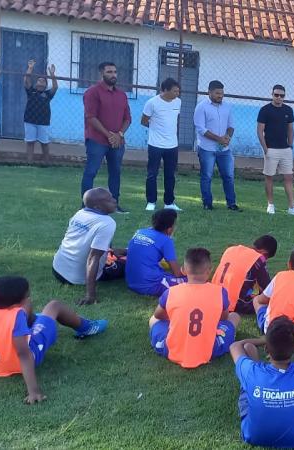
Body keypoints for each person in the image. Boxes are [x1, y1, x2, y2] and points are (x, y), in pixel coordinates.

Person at [231, 313, 294, 448]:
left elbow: (235, 346)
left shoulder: (252, 371)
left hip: (253, 435)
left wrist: (268, 340)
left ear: (267, 348)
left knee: (247, 351)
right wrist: (291, 345)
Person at [149, 248, 240, 369]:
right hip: (211, 349)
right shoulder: (219, 292)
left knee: (153, 319)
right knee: (234, 316)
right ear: (209, 270)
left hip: (171, 349)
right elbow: (223, 318)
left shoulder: (171, 292)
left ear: (184, 270)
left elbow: (158, 315)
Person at [52, 188, 123, 305]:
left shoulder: (80, 213)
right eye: (109, 200)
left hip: (57, 269)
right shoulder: (107, 222)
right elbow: (93, 258)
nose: (114, 201)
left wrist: (110, 250)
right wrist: (90, 295)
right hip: (76, 278)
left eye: (112, 197)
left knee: (113, 255)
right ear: (97, 207)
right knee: (125, 265)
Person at [81, 61, 131, 212]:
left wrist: (119, 135)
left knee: (115, 172)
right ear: (101, 73)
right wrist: (109, 135)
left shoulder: (121, 95)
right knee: (91, 171)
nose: (113, 75)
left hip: (117, 142)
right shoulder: (92, 92)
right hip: (97, 140)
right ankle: (85, 207)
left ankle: (114, 205)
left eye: (115, 72)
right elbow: (91, 117)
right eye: (109, 72)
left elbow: (127, 118)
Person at [257, 84, 294, 216]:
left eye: (281, 95)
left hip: (285, 149)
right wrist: (265, 148)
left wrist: (290, 145)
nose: (279, 97)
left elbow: (290, 128)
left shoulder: (288, 110)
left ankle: (292, 207)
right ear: (272, 95)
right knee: (269, 177)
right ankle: (270, 204)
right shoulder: (265, 110)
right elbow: (260, 130)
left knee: (289, 177)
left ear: (284, 96)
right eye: (276, 95)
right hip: (271, 149)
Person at [193, 80, 240, 211]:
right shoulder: (201, 107)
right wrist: (219, 139)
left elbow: (231, 126)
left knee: (229, 176)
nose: (220, 96)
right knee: (207, 176)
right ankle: (207, 204)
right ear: (209, 92)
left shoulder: (227, 106)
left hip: (224, 149)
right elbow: (201, 129)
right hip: (207, 149)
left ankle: (231, 204)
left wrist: (227, 138)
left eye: (222, 93)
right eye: (217, 93)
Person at [141, 77, 182, 211]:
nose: (177, 94)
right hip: (155, 144)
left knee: (170, 175)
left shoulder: (178, 102)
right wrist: (156, 129)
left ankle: (169, 203)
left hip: (172, 145)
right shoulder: (152, 103)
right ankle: (151, 202)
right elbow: (144, 121)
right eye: (174, 91)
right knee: (152, 174)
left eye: (178, 91)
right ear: (164, 90)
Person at [211, 235, 278, 315]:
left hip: (214, 296)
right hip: (234, 303)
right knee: (265, 300)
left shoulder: (230, 249)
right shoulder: (258, 258)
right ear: (264, 253)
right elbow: (268, 287)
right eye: (266, 258)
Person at [125, 209, 185, 296]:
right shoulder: (166, 241)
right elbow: (177, 273)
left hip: (131, 281)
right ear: (169, 229)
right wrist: (186, 270)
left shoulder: (140, 232)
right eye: (174, 225)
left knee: (164, 272)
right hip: (149, 285)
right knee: (192, 280)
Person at [22, 59, 57, 163]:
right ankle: (29, 162)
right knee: (30, 142)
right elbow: (26, 80)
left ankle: (46, 163)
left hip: (43, 122)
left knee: (44, 143)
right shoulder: (31, 91)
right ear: (36, 83)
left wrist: (52, 75)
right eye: (39, 80)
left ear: (46, 85)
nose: (41, 82)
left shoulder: (48, 94)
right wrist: (30, 68)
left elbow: (55, 87)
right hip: (29, 120)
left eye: (43, 81)